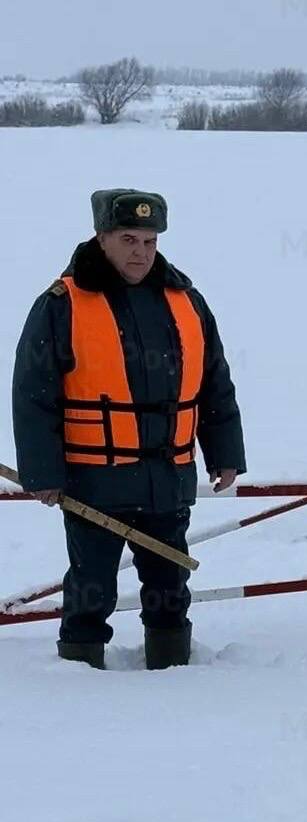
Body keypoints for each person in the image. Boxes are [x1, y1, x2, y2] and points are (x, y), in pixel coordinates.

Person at [11, 189, 246, 671]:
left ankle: (173, 670)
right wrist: (42, 473)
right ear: (102, 238)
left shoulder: (186, 301)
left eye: (149, 241)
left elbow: (214, 382)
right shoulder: (62, 304)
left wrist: (225, 453)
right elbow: (33, 395)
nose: (141, 252)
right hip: (94, 481)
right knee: (91, 586)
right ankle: (79, 674)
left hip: (168, 478)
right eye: (128, 240)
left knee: (169, 585)